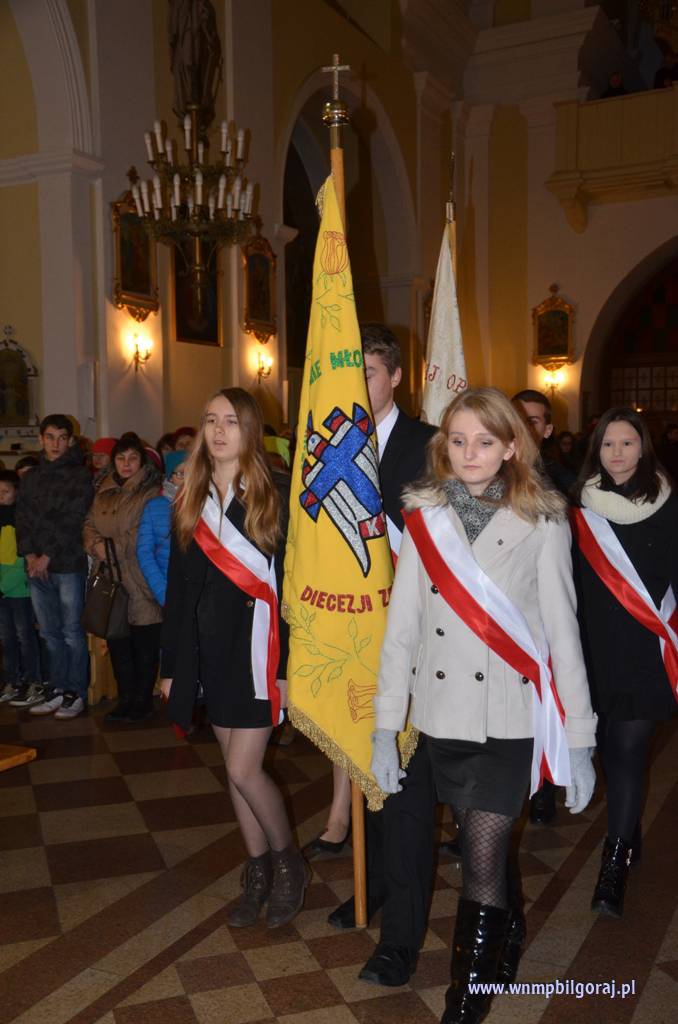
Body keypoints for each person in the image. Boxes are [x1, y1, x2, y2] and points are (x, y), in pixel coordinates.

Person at [371, 387, 597, 1024]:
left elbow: (563, 634)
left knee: (481, 856)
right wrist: (386, 728)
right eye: (458, 440)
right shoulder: (425, 518)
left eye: (485, 441)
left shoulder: (543, 521)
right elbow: (403, 629)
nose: (470, 453)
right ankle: (508, 930)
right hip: (440, 714)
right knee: (480, 846)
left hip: (505, 718)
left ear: (511, 447)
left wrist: (580, 739)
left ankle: (464, 999)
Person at [160, 387, 309, 929]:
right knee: (232, 770)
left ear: (250, 430)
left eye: (230, 421)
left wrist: (287, 670)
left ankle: (289, 864)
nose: (218, 430)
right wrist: (171, 666)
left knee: (246, 769)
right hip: (209, 651)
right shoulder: (189, 498)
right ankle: (258, 868)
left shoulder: (275, 496)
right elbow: (179, 589)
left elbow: (293, 590)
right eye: (210, 420)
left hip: (259, 650)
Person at [325, 323, 438, 988]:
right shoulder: (331, 442)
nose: (358, 385)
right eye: (350, 374)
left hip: (418, 643)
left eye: (367, 373)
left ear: (394, 376)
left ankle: (400, 939)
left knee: (407, 788)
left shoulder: (430, 446)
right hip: (352, 638)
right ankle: (380, 886)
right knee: (371, 774)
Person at [571, 408, 677, 919]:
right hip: (593, 650)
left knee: (629, 750)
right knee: (608, 748)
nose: (617, 452)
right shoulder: (578, 507)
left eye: (627, 442)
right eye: (608, 443)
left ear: (643, 447)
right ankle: (628, 827)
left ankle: (612, 867)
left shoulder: (669, 503)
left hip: (646, 651)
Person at [512, 389, 575, 826]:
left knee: (543, 703)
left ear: (548, 429)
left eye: (534, 420)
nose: (526, 426)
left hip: (541, 611)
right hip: (499, 612)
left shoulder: (562, 482)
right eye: (519, 418)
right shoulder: (487, 472)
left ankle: (543, 788)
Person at [14, 414, 93, 717]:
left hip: (67, 563)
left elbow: (72, 518)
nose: (56, 444)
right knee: (49, 633)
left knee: (71, 632)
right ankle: (57, 688)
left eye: (62, 438)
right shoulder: (32, 477)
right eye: (50, 437)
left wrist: (46, 555)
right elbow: (23, 518)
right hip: (36, 565)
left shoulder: (79, 474)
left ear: (70, 441)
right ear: (40, 439)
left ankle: (76, 692)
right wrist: (29, 555)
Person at [83, 433, 162, 722]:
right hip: (109, 577)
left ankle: (143, 701)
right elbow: (89, 523)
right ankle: (125, 699)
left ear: (141, 461)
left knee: (144, 646)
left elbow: (143, 531)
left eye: (132, 458)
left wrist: (108, 548)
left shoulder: (151, 492)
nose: (126, 464)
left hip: (140, 577)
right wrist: (94, 544)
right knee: (117, 644)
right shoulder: (103, 489)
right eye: (121, 458)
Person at [0, 471, 41, 704]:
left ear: (17, 492)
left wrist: (2, 586)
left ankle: (33, 681)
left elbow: (21, 562)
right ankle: (12, 680)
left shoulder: (22, 521)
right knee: (6, 638)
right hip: (2, 592)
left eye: (5, 491)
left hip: (19, 591)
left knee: (25, 636)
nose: (1, 496)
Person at [137, 450, 187, 606]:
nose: (188, 480)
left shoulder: (209, 507)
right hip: (168, 587)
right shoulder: (154, 507)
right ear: (170, 477)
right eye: (181, 474)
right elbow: (145, 552)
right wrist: (162, 591)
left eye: (193, 473)